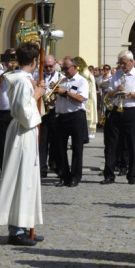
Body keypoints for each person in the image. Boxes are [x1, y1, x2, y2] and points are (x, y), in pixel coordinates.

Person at [0, 42, 46, 247]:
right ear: (35, 61)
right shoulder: (23, 82)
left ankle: (25, 225)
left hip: (24, 132)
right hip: (22, 132)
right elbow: (25, 113)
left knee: (29, 180)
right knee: (21, 179)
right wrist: (38, 94)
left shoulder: (21, 79)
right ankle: (16, 230)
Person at [101, 50, 135, 184]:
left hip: (132, 111)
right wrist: (116, 90)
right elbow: (108, 94)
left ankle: (132, 175)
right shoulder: (117, 75)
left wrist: (130, 94)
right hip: (116, 110)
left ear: (132, 62)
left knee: (133, 143)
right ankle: (109, 174)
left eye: (124, 63)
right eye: (120, 63)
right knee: (111, 143)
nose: (121, 65)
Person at [53, 56, 90, 187]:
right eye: (63, 68)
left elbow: (80, 98)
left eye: (66, 68)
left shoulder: (82, 81)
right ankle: (64, 176)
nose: (64, 71)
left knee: (77, 148)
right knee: (60, 148)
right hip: (61, 116)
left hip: (76, 116)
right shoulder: (62, 80)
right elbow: (56, 99)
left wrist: (66, 92)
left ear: (74, 67)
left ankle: (75, 176)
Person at [0, 49, 17, 178]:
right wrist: (7, 72)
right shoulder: (0, 72)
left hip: (14, 112)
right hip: (2, 111)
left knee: (13, 143)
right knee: (1, 143)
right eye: (10, 58)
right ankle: (0, 169)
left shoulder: (20, 72)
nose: (13, 61)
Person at [36, 54, 61, 178]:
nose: (49, 68)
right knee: (42, 142)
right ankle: (42, 168)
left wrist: (56, 92)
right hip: (42, 112)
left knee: (56, 141)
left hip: (55, 110)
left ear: (55, 64)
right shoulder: (38, 76)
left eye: (51, 66)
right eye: (46, 66)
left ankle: (55, 164)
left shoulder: (60, 77)